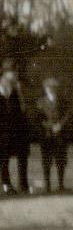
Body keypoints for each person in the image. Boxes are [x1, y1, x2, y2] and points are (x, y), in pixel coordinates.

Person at [33, 76, 70, 192]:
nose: (51, 89)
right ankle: (47, 185)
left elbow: (67, 115)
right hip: (47, 136)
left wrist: (60, 125)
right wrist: (50, 126)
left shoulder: (63, 101)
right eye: (48, 87)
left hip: (60, 136)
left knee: (61, 161)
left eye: (53, 87)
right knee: (47, 161)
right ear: (45, 88)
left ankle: (61, 184)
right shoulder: (40, 102)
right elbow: (38, 119)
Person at [0, 63, 29, 195]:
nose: (16, 75)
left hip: (18, 129)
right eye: (13, 72)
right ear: (6, 73)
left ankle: (23, 184)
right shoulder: (2, 87)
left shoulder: (17, 88)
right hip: (3, 129)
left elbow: (23, 109)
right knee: (3, 158)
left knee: (22, 156)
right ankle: (6, 184)